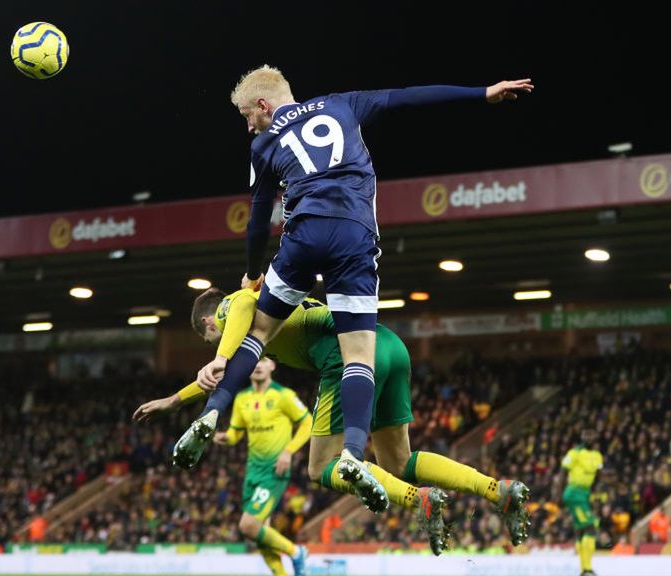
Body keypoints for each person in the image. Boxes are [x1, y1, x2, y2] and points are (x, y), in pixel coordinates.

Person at [175, 66, 534, 515]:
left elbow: (257, 218)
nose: (249, 126)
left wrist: (252, 272)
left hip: (303, 234)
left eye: (249, 115)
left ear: (265, 105)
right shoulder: (342, 104)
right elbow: (407, 96)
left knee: (258, 334)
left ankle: (213, 411)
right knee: (358, 358)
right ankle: (355, 452)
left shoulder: (263, 144)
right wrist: (482, 93)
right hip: (353, 235)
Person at [137, 287, 531, 554]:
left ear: (209, 323)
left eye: (211, 341)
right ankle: (498, 491)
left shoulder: (232, 311)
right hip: (388, 345)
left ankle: (419, 500)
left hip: (346, 358)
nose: (219, 351)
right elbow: (229, 366)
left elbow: (238, 305)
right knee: (399, 462)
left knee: (319, 466)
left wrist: (217, 357)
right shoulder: (263, 316)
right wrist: (177, 399)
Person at [207, 357, 312, 576]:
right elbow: (236, 433)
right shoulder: (242, 398)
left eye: (263, 360)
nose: (257, 365)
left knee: (248, 526)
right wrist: (225, 437)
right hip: (252, 471)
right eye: (254, 360)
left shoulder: (284, 396)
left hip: (274, 471)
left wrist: (288, 451)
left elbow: (308, 423)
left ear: (272, 365)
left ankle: (296, 552)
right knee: (258, 531)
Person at [561, 429, 604, 576]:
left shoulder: (598, 456)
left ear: (595, 437)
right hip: (574, 493)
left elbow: (599, 475)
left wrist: (595, 492)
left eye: (591, 434)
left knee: (580, 530)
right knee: (590, 527)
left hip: (585, 494)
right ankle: (587, 569)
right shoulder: (574, 453)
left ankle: (583, 569)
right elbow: (562, 472)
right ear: (582, 437)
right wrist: (559, 494)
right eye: (585, 435)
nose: (588, 437)